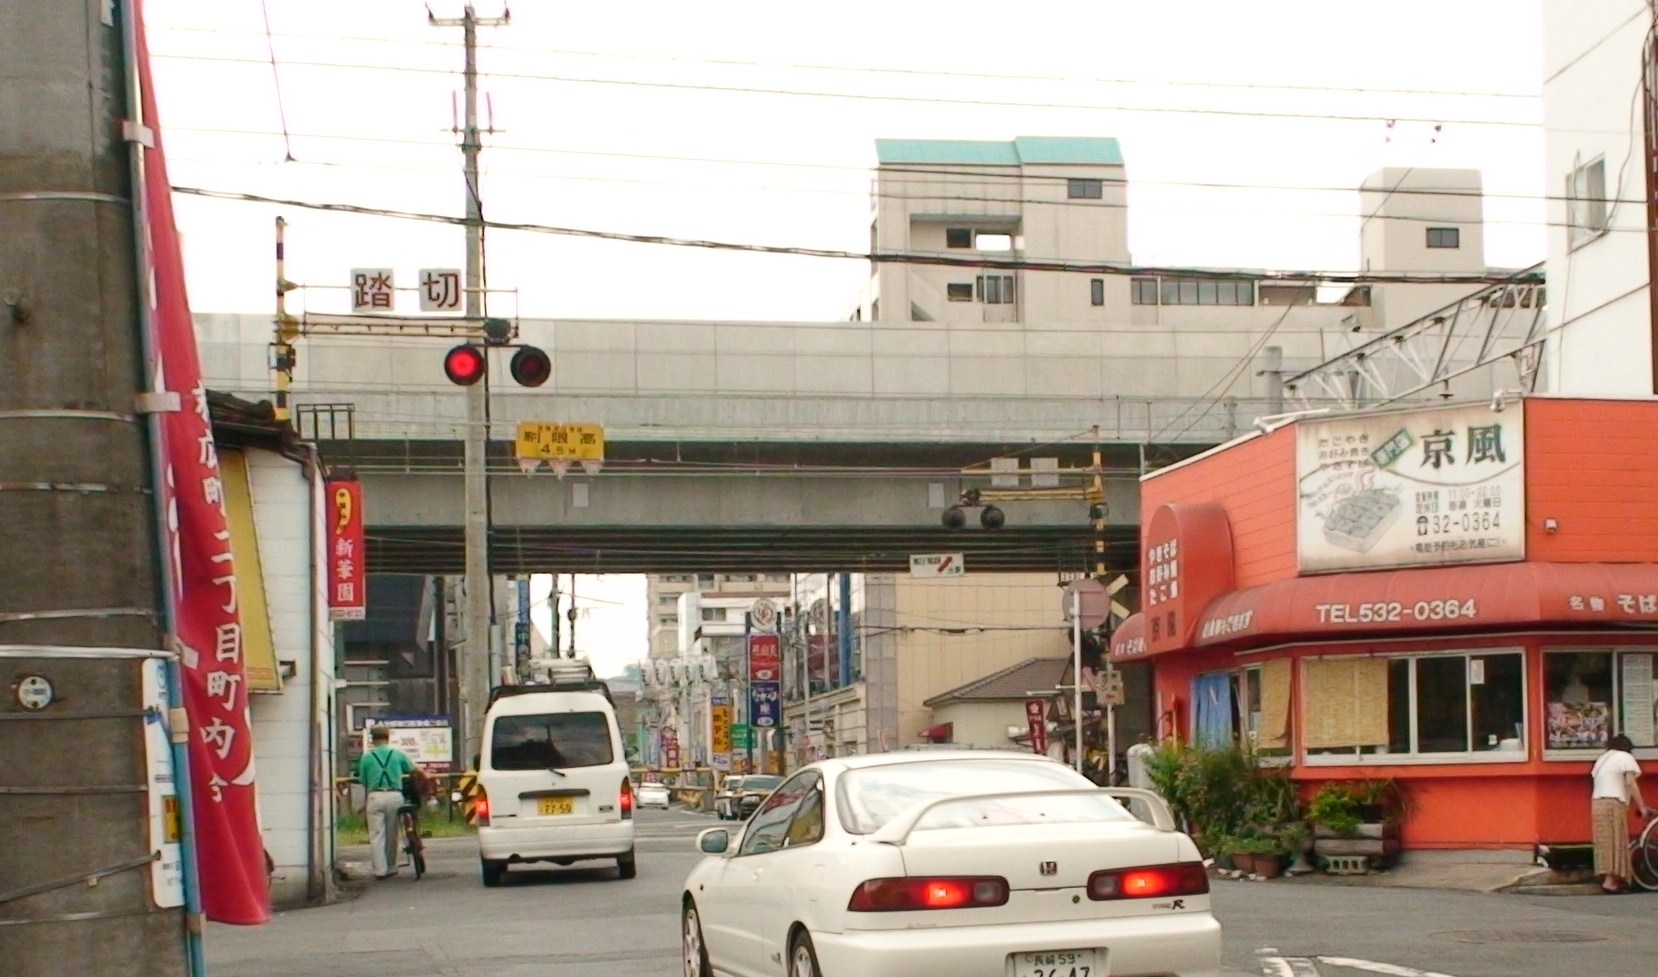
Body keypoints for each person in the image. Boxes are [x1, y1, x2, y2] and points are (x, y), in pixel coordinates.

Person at [1590, 733, 1651, 894]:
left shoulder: (1602, 759)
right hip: (1613, 802)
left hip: (1597, 802)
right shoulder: (1625, 757)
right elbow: (1630, 782)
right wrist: (1642, 806)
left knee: (1604, 841)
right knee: (1616, 841)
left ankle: (1607, 878)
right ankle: (1611, 882)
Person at [358, 725, 418, 880]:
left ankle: (380, 870)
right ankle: (391, 867)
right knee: (393, 834)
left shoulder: (367, 757)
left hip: (375, 796)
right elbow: (411, 769)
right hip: (394, 796)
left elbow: (363, 779)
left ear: (373, 739)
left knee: (376, 835)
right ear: (388, 737)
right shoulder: (397, 754)